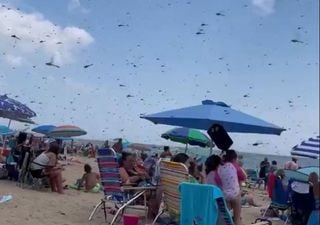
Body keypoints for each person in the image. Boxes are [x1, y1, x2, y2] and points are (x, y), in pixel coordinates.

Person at [218, 150, 242, 225]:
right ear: (234, 159)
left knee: (226, 218)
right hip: (235, 194)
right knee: (237, 218)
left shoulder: (219, 167)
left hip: (224, 194)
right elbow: (244, 176)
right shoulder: (234, 165)